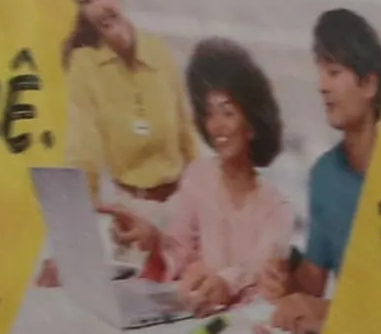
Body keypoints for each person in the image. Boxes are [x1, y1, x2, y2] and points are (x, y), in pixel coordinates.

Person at [119, 39, 300, 316]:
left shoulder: (277, 210)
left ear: (251, 125)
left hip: (240, 331)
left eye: (227, 112)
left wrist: (223, 284)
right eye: (210, 113)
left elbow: (258, 274)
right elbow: (176, 248)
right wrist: (153, 239)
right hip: (190, 320)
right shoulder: (198, 176)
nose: (217, 126)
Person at [60, 0, 195, 235]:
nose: (97, 9)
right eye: (85, 1)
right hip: (130, 218)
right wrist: (74, 231)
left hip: (181, 215)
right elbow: (82, 155)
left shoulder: (160, 52)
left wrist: (204, 212)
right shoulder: (84, 67)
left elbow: (188, 142)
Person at [274, 7, 381, 334]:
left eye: (334, 73)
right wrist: (284, 273)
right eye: (320, 73)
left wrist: (333, 313)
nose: (321, 86)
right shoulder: (324, 174)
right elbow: (313, 281)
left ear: (368, 85)